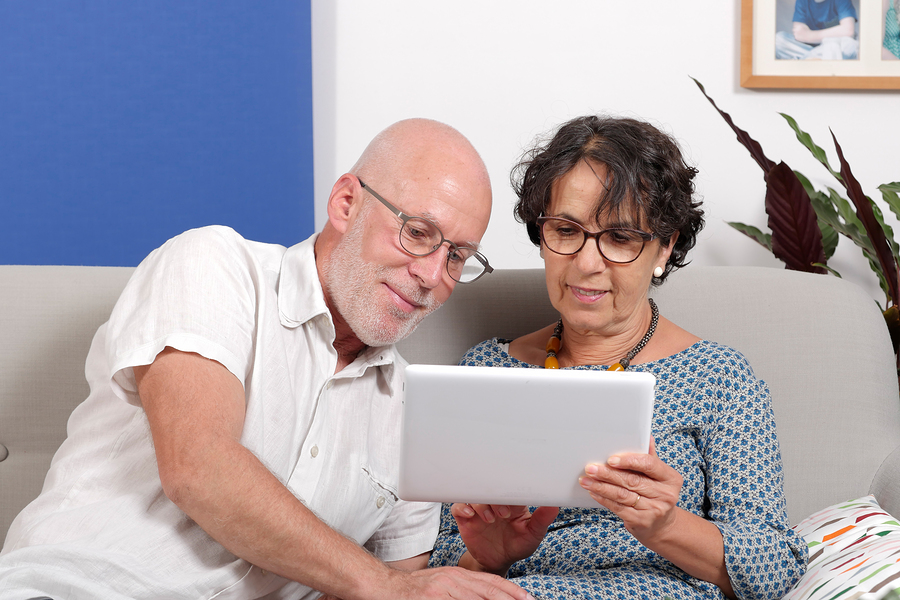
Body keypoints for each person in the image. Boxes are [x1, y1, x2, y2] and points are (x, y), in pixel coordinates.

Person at [0, 119, 536, 600]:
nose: (431, 276)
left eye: (458, 257)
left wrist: (482, 561)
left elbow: (394, 590)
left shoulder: (412, 413)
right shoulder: (216, 267)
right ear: (346, 203)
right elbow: (198, 467)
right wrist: (385, 584)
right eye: (418, 233)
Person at [428, 116, 809, 600]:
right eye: (566, 230)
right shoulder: (486, 371)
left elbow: (774, 567)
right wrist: (488, 557)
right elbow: (438, 562)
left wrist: (665, 525)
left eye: (621, 237)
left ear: (664, 247)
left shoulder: (719, 378)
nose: (587, 264)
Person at [775, 0, 859, 60]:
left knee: (849, 45)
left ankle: (805, 61)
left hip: (834, 47)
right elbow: (798, 34)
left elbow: (848, 31)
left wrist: (809, 35)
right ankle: (813, 59)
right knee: (778, 40)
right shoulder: (802, 1)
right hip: (809, 49)